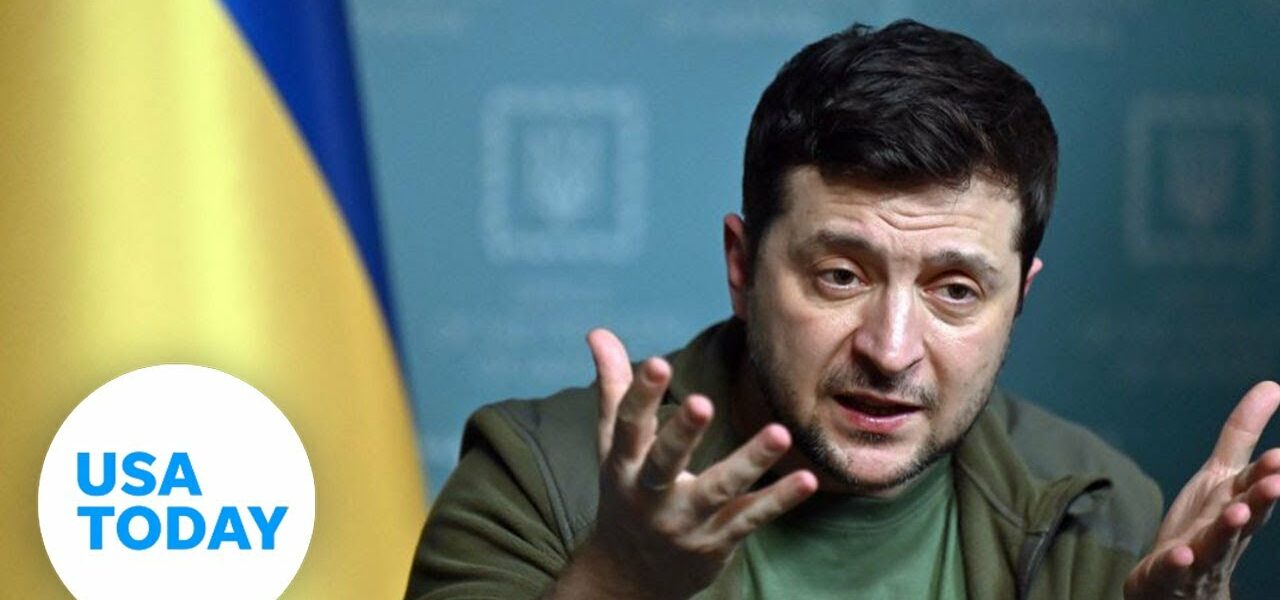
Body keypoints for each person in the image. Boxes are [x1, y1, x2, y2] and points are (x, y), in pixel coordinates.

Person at [405, 19, 1280, 599]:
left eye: (955, 291)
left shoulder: (1103, 511)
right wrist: (616, 582)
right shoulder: (539, 478)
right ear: (742, 268)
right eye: (840, 276)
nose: (891, 351)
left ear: (1020, 300)